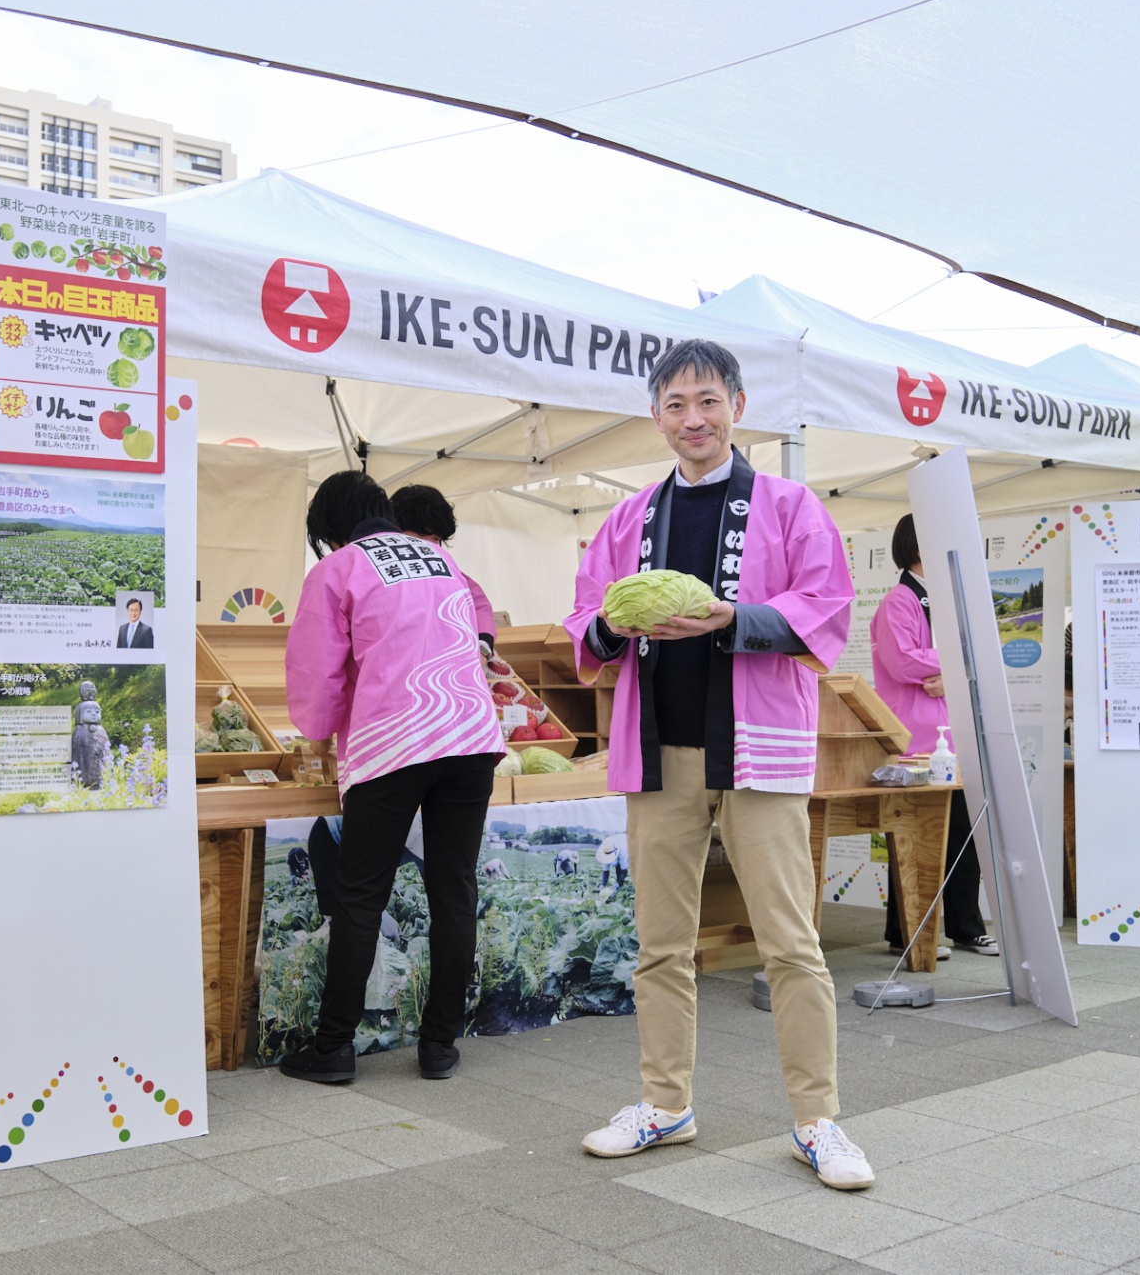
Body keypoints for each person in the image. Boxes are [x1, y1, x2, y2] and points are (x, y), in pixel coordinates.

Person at [565, 339, 874, 1190]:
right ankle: (665, 1104)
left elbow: (827, 608)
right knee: (661, 945)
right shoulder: (628, 518)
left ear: (737, 402)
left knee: (790, 943)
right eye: (674, 405)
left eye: (706, 400)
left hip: (759, 750)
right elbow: (584, 620)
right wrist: (609, 627)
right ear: (656, 416)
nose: (691, 419)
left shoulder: (787, 504)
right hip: (656, 750)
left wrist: (731, 616)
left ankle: (818, 1120)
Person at [280, 470, 505, 1084]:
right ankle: (439, 1045)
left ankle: (333, 1050)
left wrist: (321, 731)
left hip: (394, 743)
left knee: (360, 897)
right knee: (454, 891)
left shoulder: (339, 568)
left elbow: (317, 676)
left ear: (327, 527)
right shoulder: (439, 560)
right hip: (470, 738)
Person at [869, 514, 996, 961]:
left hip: (953, 737)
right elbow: (904, 661)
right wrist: (955, 666)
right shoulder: (899, 601)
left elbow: (978, 655)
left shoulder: (946, 600)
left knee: (963, 834)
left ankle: (966, 927)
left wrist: (954, 672)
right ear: (919, 546)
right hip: (915, 744)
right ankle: (907, 932)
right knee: (913, 838)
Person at [391, 484, 497, 649]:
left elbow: (478, 603)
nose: (430, 545)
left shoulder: (442, 568)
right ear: (396, 529)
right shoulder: (380, 568)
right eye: (420, 535)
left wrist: (483, 643)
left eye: (436, 539)